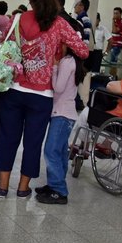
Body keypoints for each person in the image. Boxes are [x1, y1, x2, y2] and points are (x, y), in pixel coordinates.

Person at [0, 0, 88, 198]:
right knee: (33, 143)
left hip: (13, 90)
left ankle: (3, 186)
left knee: (7, 137)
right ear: (54, 0)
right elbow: (83, 51)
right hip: (42, 96)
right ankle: (23, 188)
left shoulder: (17, 19)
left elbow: (3, 46)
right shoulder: (60, 24)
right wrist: (58, 51)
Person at [36, 44, 86, 205]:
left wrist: (54, 68)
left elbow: (58, 88)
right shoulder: (73, 61)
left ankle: (59, 190)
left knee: (50, 151)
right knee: (60, 152)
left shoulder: (66, 61)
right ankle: (54, 185)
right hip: (66, 114)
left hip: (62, 114)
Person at [109, 7, 122, 78]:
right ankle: (113, 76)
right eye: (114, 13)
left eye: (116, 13)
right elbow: (113, 32)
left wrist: (113, 20)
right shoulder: (116, 21)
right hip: (113, 44)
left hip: (117, 45)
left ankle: (113, 77)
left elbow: (115, 31)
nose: (115, 15)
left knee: (113, 61)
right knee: (112, 61)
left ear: (120, 14)